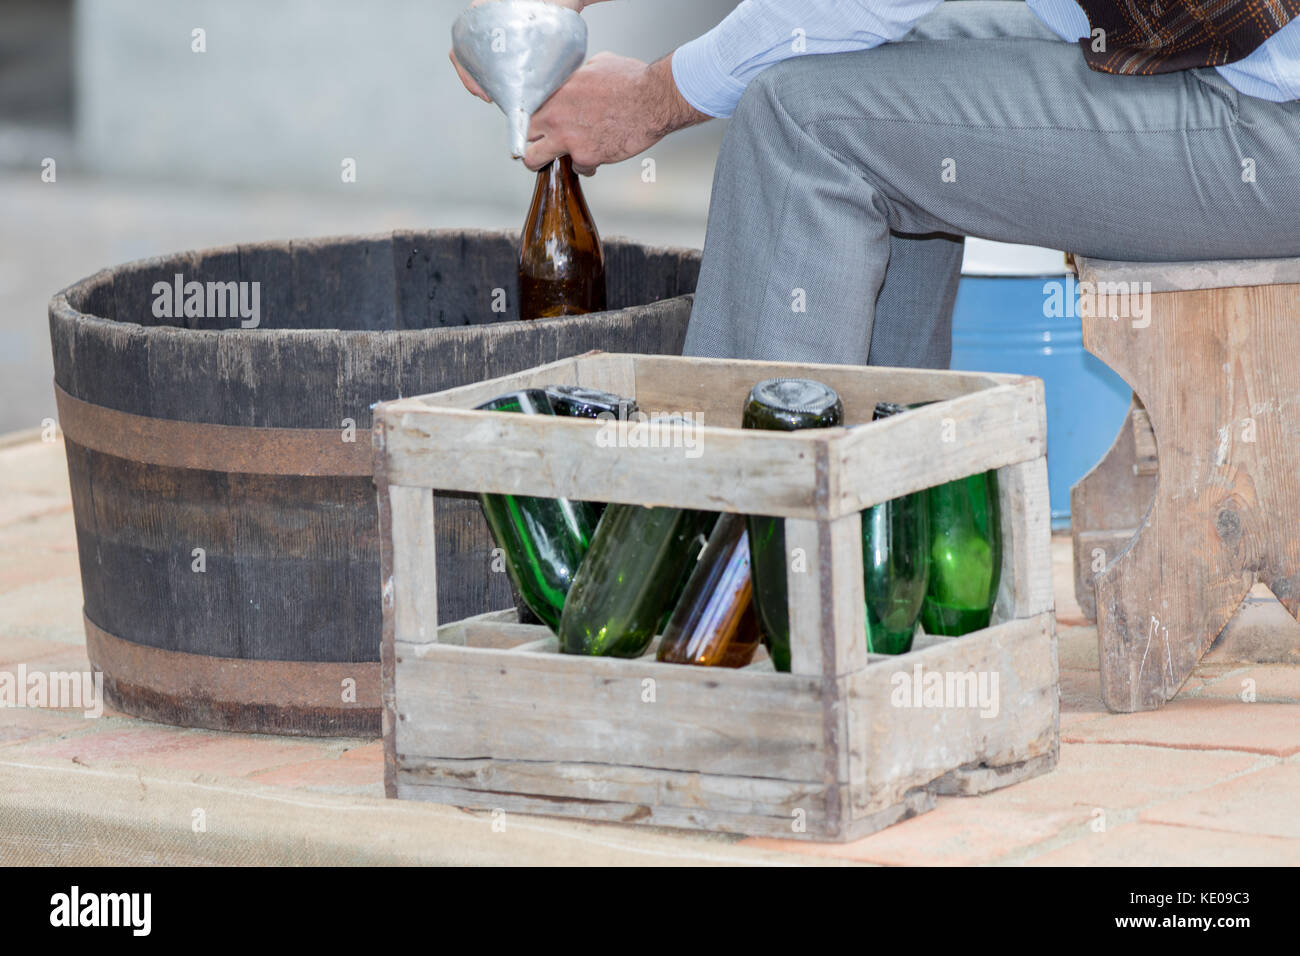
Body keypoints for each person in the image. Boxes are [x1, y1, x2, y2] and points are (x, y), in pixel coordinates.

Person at [454, 0, 1300, 368]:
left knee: (803, 119)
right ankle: (883, 543)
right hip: (1223, 71)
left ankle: (758, 576)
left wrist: (654, 99)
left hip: (1272, 126)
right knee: (848, 65)